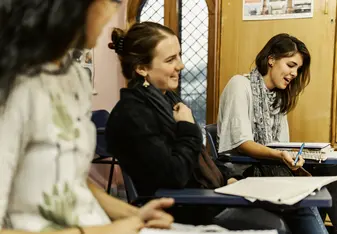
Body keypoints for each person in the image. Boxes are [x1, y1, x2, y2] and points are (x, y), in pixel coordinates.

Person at [0, 1, 174, 233]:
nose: (112, 11)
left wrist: (135, 214)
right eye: (109, 2)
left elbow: (71, 179)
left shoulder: (73, 77)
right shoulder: (12, 84)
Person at [105, 22, 235, 225]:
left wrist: (227, 177)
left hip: (206, 200)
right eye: (170, 59)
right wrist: (188, 128)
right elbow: (175, 176)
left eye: (179, 55)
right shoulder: (132, 114)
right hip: (181, 213)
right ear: (141, 68)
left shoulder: (167, 100)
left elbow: (197, 159)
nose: (181, 65)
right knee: (276, 223)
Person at [217, 33, 328, 234]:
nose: (294, 73)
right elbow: (242, 143)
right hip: (243, 171)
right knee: (304, 199)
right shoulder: (239, 85)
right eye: (291, 65)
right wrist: (280, 156)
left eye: (298, 69)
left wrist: (294, 157)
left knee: (329, 181)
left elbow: (281, 145)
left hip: (270, 168)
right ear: (271, 60)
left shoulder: (278, 98)